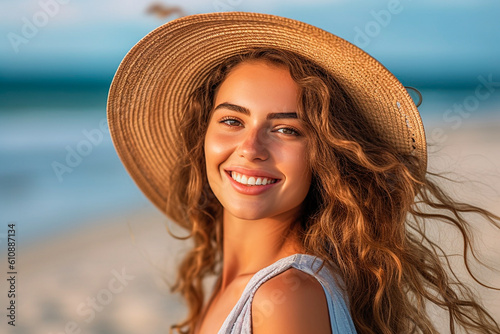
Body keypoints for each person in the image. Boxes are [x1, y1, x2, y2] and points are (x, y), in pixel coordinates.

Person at [107, 12, 500, 334]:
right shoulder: (255, 284)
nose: (250, 148)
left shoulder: (286, 298)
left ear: (326, 156)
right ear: (202, 133)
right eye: (232, 120)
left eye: (287, 129)